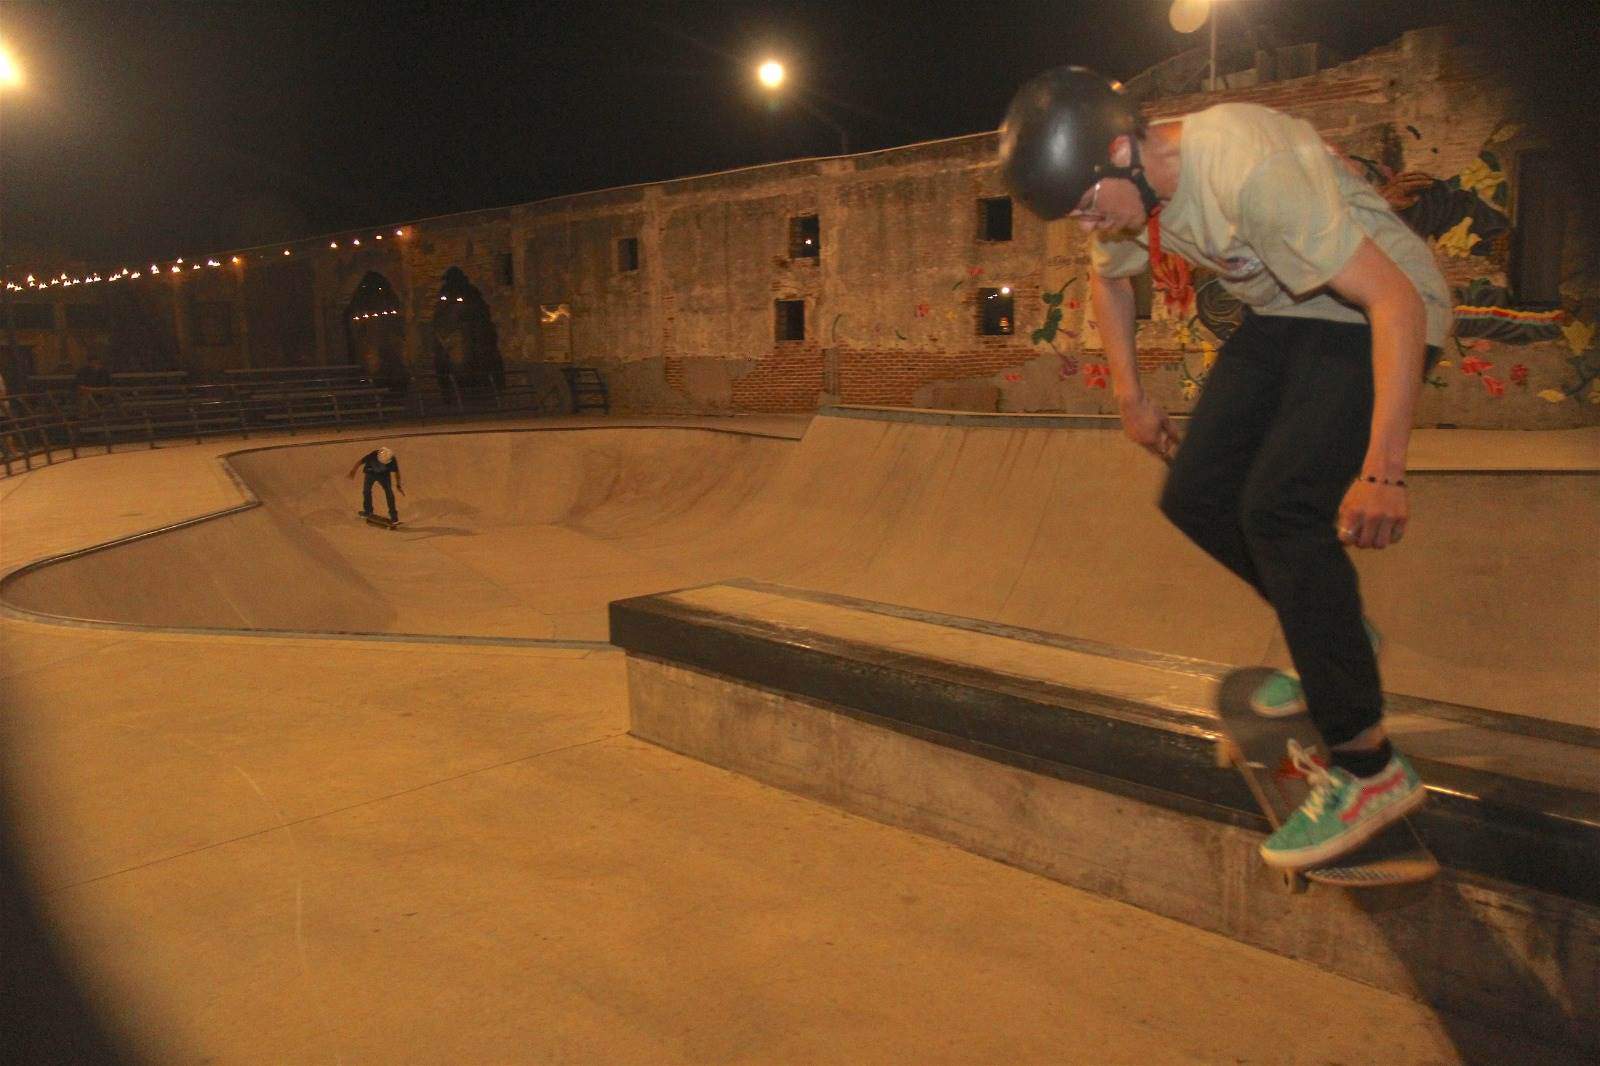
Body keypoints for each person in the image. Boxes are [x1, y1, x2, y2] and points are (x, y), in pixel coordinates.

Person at [999, 67, 1451, 870]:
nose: (1091, 222)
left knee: (1278, 510)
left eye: (1089, 204)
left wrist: (1385, 468)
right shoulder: (1121, 191)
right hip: (1287, 316)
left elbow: (1397, 305)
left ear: (1121, 148)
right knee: (1198, 494)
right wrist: (1132, 398)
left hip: (1378, 313)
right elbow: (1111, 285)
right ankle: (1339, 633)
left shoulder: (1248, 169)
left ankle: (1370, 769)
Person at [347, 445, 404, 523]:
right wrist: (353, 471)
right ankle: (368, 511)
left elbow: (396, 472)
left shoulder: (391, 459)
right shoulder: (373, 455)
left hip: (384, 475)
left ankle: (394, 516)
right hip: (370, 473)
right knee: (366, 491)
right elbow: (360, 461)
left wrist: (398, 485)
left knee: (389, 492)